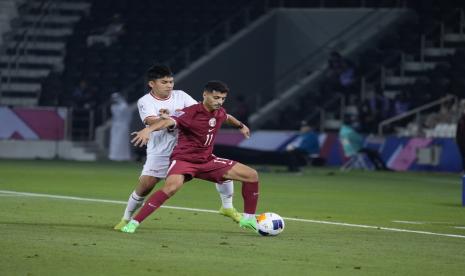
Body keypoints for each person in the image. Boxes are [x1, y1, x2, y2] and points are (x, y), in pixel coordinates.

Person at [121, 80, 259, 234]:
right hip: (184, 161)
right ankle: (134, 222)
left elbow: (227, 117)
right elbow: (168, 121)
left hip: (207, 160)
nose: (219, 102)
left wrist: (241, 126)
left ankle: (249, 218)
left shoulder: (219, 111)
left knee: (251, 175)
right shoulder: (189, 112)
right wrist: (148, 130)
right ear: (205, 94)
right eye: (216, 97)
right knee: (171, 188)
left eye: (222, 98)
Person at [108, 93, 131, 161]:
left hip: (123, 125)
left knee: (122, 140)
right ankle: (114, 155)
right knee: (115, 141)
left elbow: (128, 116)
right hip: (115, 125)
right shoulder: (113, 107)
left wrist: (125, 123)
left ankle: (123, 156)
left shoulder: (124, 106)